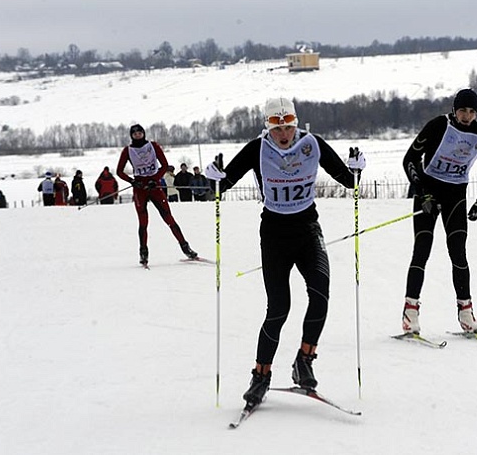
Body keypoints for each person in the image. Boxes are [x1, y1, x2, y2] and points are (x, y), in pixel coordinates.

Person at [204, 97, 366, 406]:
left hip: (307, 230)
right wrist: (213, 177)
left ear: (296, 124)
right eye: (277, 128)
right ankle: (260, 375)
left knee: (321, 294)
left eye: (289, 126)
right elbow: (222, 185)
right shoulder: (257, 149)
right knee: (279, 309)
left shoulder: (312, 144)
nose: (284, 134)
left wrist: (357, 169)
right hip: (275, 235)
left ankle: (304, 360)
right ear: (268, 127)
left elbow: (348, 180)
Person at [401, 88, 477, 335]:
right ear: (454, 109)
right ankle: (410, 313)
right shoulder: (439, 125)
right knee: (422, 250)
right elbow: (410, 159)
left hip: (455, 196)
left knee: (458, 253)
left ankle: (466, 313)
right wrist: (421, 191)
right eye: (462, 110)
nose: (466, 116)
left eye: (471, 111)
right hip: (429, 192)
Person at [116, 124, 198, 265]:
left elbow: (164, 165)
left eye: (140, 132)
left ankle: (185, 247)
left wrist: (156, 179)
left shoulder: (153, 146)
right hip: (140, 188)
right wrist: (132, 181)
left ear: (143, 133)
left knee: (168, 218)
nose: (137, 135)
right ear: (131, 135)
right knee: (143, 222)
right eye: (134, 133)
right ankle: (143, 253)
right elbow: (119, 171)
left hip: (154, 186)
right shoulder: (127, 150)